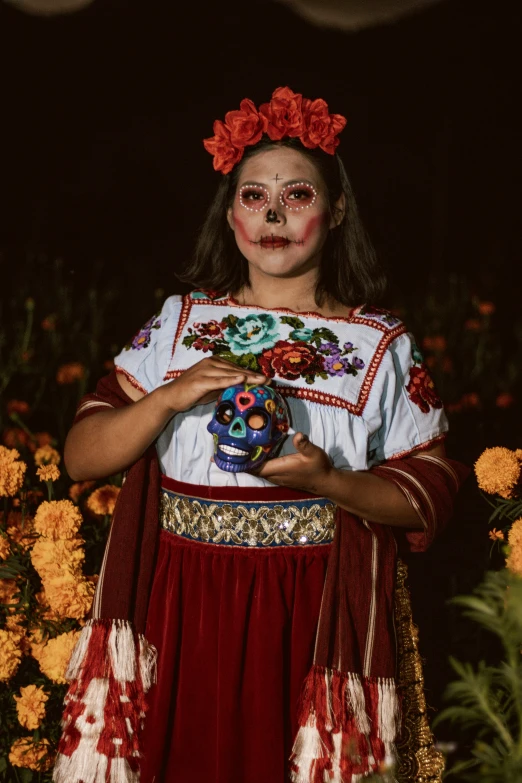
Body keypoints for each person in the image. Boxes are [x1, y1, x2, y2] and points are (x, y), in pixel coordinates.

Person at [54, 87, 466, 783]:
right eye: (253, 196)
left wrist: (327, 481)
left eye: (298, 195)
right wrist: (169, 397)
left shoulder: (378, 343)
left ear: (336, 212)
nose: (273, 213)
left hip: (307, 611)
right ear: (231, 215)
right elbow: (80, 456)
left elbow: (428, 491)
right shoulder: (179, 323)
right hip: (183, 602)